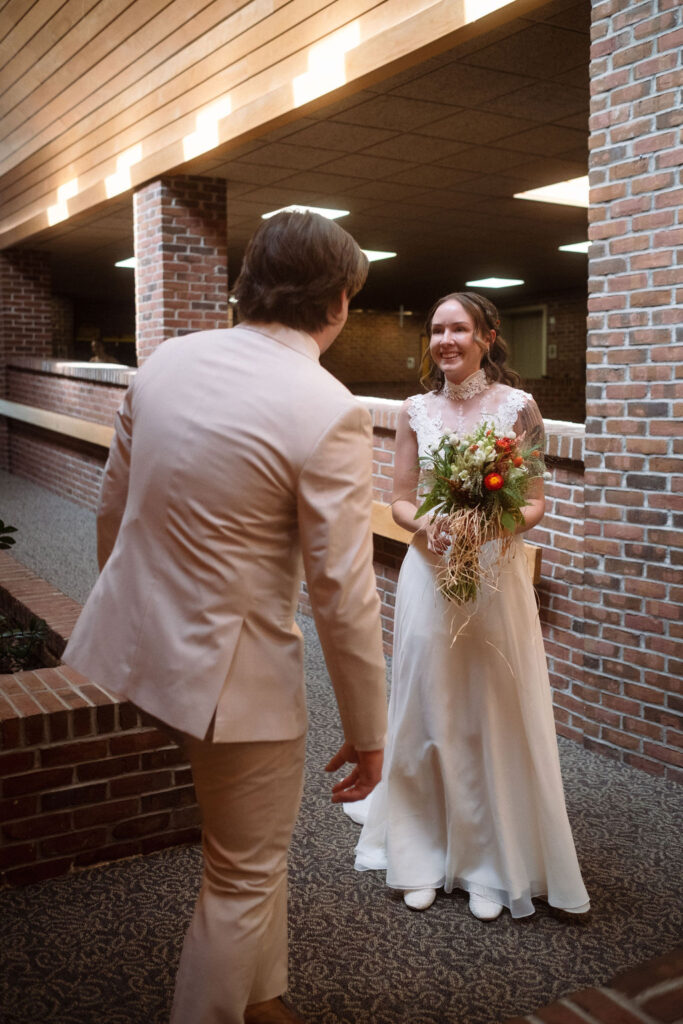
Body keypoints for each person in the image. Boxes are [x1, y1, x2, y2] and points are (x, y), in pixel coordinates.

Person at [63, 211, 388, 1024]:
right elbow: (341, 593)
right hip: (231, 686)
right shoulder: (329, 407)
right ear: (339, 301)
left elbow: (115, 509)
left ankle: (261, 995)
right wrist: (368, 728)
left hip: (138, 646)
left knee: (250, 854)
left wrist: (129, 619)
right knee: (241, 873)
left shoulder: (168, 359)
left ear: (248, 281)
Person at [345, 291, 589, 921]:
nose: (445, 340)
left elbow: (534, 500)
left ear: (487, 335)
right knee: (430, 703)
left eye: (458, 329)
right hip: (431, 573)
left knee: (487, 706)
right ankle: (421, 849)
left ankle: (486, 861)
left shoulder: (518, 408)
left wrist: (497, 527)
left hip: (493, 580)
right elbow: (401, 496)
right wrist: (424, 528)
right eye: (435, 330)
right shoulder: (415, 410)